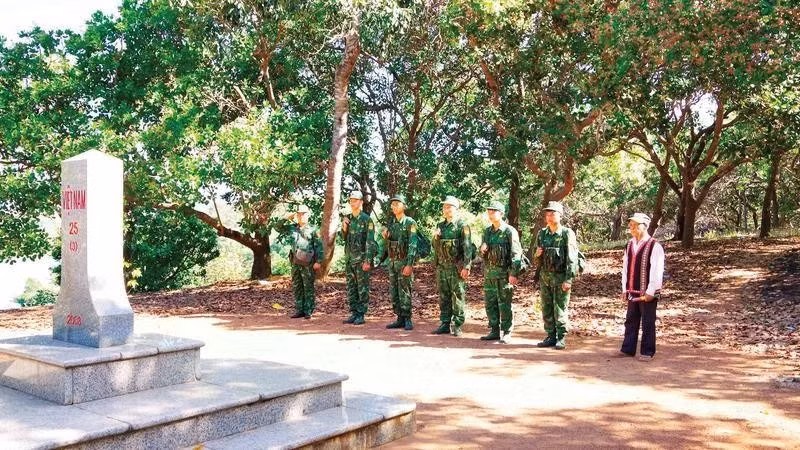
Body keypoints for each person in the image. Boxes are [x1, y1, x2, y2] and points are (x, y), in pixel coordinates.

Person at [618, 213, 665, 361]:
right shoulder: (629, 244)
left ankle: (647, 351)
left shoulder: (654, 245)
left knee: (648, 321)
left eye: (635, 225)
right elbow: (625, 268)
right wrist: (624, 289)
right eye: (630, 225)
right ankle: (628, 349)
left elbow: (657, 270)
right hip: (632, 289)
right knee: (631, 319)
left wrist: (652, 290)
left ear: (644, 226)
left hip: (647, 291)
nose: (631, 227)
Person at [533, 201, 579, 350]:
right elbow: (536, 258)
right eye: (547, 214)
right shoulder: (542, 233)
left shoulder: (566, 233)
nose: (549, 216)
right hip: (545, 278)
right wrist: (537, 254)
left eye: (553, 213)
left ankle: (561, 337)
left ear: (560, 215)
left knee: (559, 308)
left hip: (560, 278)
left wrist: (568, 279)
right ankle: (550, 336)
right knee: (546, 309)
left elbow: (572, 258)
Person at [479, 201, 523, 344]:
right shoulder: (487, 231)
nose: (491, 214)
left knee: (504, 304)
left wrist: (513, 273)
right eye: (489, 212)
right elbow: (482, 254)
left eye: (494, 211)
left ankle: (507, 331)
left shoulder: (509, 231)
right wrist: (482, 250)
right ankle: (494, 330)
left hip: (504, 275)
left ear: (501, 213)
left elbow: (516, 254)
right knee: (490, 303)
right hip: (489, 274)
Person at [431, 196, 472, 337]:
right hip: (442, 267)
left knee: (457, 296)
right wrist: (435, 238)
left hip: (456, 267)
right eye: (444, 207)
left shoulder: (462, 226)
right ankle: (444, 323)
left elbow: (467, 248)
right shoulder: (440, 225)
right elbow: (435, 248)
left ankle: (457, 325)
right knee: (444, 296)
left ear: (456, 209)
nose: (446, 209)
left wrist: (467, 266)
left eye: (449, 207)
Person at [274, 205, 322, 319]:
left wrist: (319, 261)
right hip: (295, 262)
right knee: (297, 286)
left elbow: (319, 246)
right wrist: (286, 218)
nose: (301, 216)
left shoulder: (313, 229)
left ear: (308, 215)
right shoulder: (292, 228)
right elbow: (277, 227)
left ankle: (308, 310)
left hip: (308, 263)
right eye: (299, 214)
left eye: (304, 214)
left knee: (308, 287)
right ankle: (299, 310)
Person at [382, 194, 419, 331]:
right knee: (394, 291)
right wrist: (386, 236)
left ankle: (408, 318)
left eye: (397, 204)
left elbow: (413, 244)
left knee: (405, 291)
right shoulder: (392, 223)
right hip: (392, 263)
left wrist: (409, 264)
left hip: (404, 262)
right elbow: (390, 243)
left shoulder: (410, 222)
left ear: (403, 206)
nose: (394, 207)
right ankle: (399, 318)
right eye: (392, 204)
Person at [340, 191, 376, 325]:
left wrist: (368, 260)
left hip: (361, 260)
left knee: (362, 288)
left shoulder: (367, 220)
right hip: (349, 259)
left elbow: (370, 242)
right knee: (351, 287)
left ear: (361, 202)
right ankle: (354, 312)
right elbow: (343, 238)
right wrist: (344, 226)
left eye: (355, 200)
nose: (352, 202)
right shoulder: (347, 218)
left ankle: (361, 314)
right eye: (351, 200)